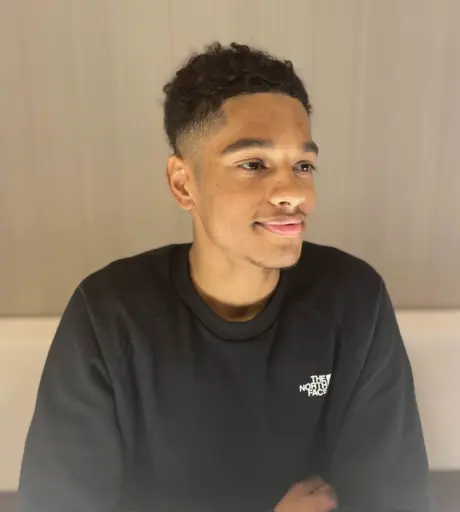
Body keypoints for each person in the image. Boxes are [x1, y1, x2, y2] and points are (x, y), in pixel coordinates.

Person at [18, 42, 431, 512]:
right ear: (183, 184)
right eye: (253, 164)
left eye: (303, 166)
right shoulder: (109, 315)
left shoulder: (353, 299)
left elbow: (396, 499)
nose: (294, 193)